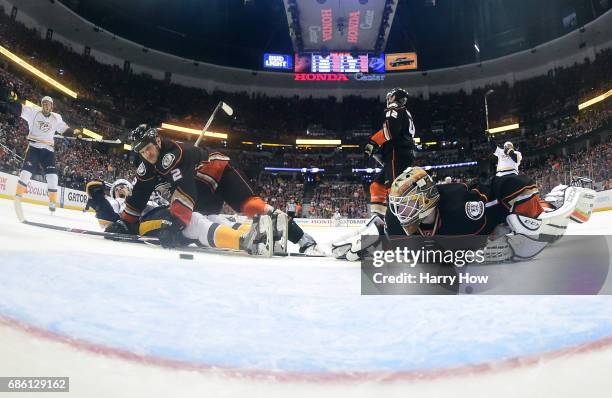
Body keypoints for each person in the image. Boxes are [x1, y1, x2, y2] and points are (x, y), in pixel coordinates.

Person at [106, 125, 322, 255]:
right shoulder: (147, 165)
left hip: (219, 173)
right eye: (142, 152)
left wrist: (176, 221)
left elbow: (185, 188)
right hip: (201, 190)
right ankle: (256, 236)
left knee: (252, 206)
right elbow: (140, 195)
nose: (147, 155)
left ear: (158, 141)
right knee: (202, 219)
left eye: (149, 148)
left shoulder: (173, 154)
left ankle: (304, 240)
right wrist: (126, 222)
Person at [334, 166, 595, 262]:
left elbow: (500, 190)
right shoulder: (398, 219)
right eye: (398, 204)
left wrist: (523, 201)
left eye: (407, 204)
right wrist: (365, 243)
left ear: (426, 200)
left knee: (521, 224)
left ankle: (558, 204)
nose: (400, 212)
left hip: (491, 221)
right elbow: (384, 230)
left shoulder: (463, 209)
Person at [86, 178, 272, 255]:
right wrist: (98, 198)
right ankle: (243, 241)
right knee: (196, 220)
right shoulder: (120, 204)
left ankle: (258, 235)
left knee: (210, 218)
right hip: (150, 223)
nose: (121, 190)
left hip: (168, 216)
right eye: (117, 189)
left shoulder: (147, 194)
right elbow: (109, 221)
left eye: (123, 187)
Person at [0, 86, 81, 212]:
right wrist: (11, 101)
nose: (46, 106)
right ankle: (18, 196)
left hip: (48, 150)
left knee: (53, 177)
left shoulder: (56, 117)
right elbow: (19, 109)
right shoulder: (33, 112)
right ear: (42, 105)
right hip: (34, 147)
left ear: (52, 106)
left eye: (48, 104)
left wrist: (74, 133)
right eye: (44, 103)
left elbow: (64, 129)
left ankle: (52, 202)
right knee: (26, 173)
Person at [364, 87, 417, 221]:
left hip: (396, 154)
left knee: (395, 188)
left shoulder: (394, 107)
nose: (388, 100)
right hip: (401, 153)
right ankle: (380, 219)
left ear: (394, 97)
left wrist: (373, 142)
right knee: (377, 185)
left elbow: (390, 131)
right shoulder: (406, 112)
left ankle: (400, 222)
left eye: (390, 97)